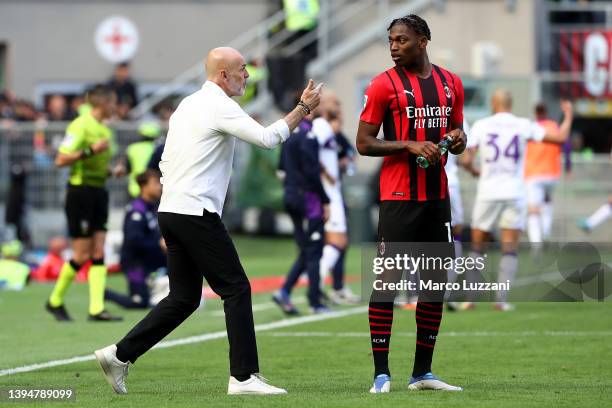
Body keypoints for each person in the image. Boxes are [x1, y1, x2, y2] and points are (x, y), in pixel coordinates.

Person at [93, 46, 322, 396]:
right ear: (223, 75)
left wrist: (177, 196)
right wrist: (303, 108)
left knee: (183, 298)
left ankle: (119, 355)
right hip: (195, 212)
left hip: (172, 210)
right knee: (236, 287)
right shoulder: (219, 105)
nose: (247, 75)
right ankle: (243, 377)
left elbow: (165, 163)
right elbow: (267, 138)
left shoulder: (187, 104)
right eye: (242, 69)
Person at [356, 15, 466, 393]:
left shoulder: (451, 83)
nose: (394, 46)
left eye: (401, 40)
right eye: (390, 40)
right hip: (399, 199)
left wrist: (457, 138)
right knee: (387, 284)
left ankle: (422, 373)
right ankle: (381, 374)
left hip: (437, 198)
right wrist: (407, 144)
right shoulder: (382, 85)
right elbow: (364, 142)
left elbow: (458, 130)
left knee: (435, 284)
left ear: (423, 40)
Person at [462, 91, 572, 312]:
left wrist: (474, 170)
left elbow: (465, 158)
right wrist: (568, 115)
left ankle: (469, 299)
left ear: (494, 103)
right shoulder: (523, 124)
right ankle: (500, 301)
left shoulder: (482, 125)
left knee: (477, 246)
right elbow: (560, 139)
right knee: (509, 248)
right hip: (515, 192)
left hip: (488, 192)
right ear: (510, 105)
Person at [45, 84, 122, 322]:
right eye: (113, 103)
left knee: (99, 251)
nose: (115, 108)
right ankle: (54, 301)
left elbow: (98, 162)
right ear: (103, 103)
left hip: (99, 191)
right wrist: (89, 151)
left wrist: (112, 171)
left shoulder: (105, 131)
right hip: (80, 193)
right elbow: (60, 159)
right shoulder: (80, 125)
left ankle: (96, 309)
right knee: (80, 256)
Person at [273, 99, 330, 315]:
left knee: (306, 249)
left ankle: (285, 292)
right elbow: (312, 172)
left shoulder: (289, 136)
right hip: (309, 200)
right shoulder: (309, 134)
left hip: (292, 197)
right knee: (314, 251)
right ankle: (315, 302)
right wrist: (325, 200)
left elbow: (280, 169)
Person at [104, 170, 165, 309]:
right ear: (144, 186)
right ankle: (104, 294)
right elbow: (134, 241)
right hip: (134, 263)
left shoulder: (155, 207)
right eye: (155, 183)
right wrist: (159, 244)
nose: (159, 187)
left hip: (152, 260)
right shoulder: (136, 209)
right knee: (140, 302)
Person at [525, 102, 573, 244]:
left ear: (535, 113)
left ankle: (536, 244)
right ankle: (545, 234)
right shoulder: (553, 126)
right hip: (551, 172)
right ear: (546, 112)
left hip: (533, 173)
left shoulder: (530, 128)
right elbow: (567, 145)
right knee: (547, 202)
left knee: (533, 210)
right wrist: (568, 166)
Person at [125, 121, 162, 197]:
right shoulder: (157, 149)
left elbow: (128, 168)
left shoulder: (132, 148)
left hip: (134, 187)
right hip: (152, 188)